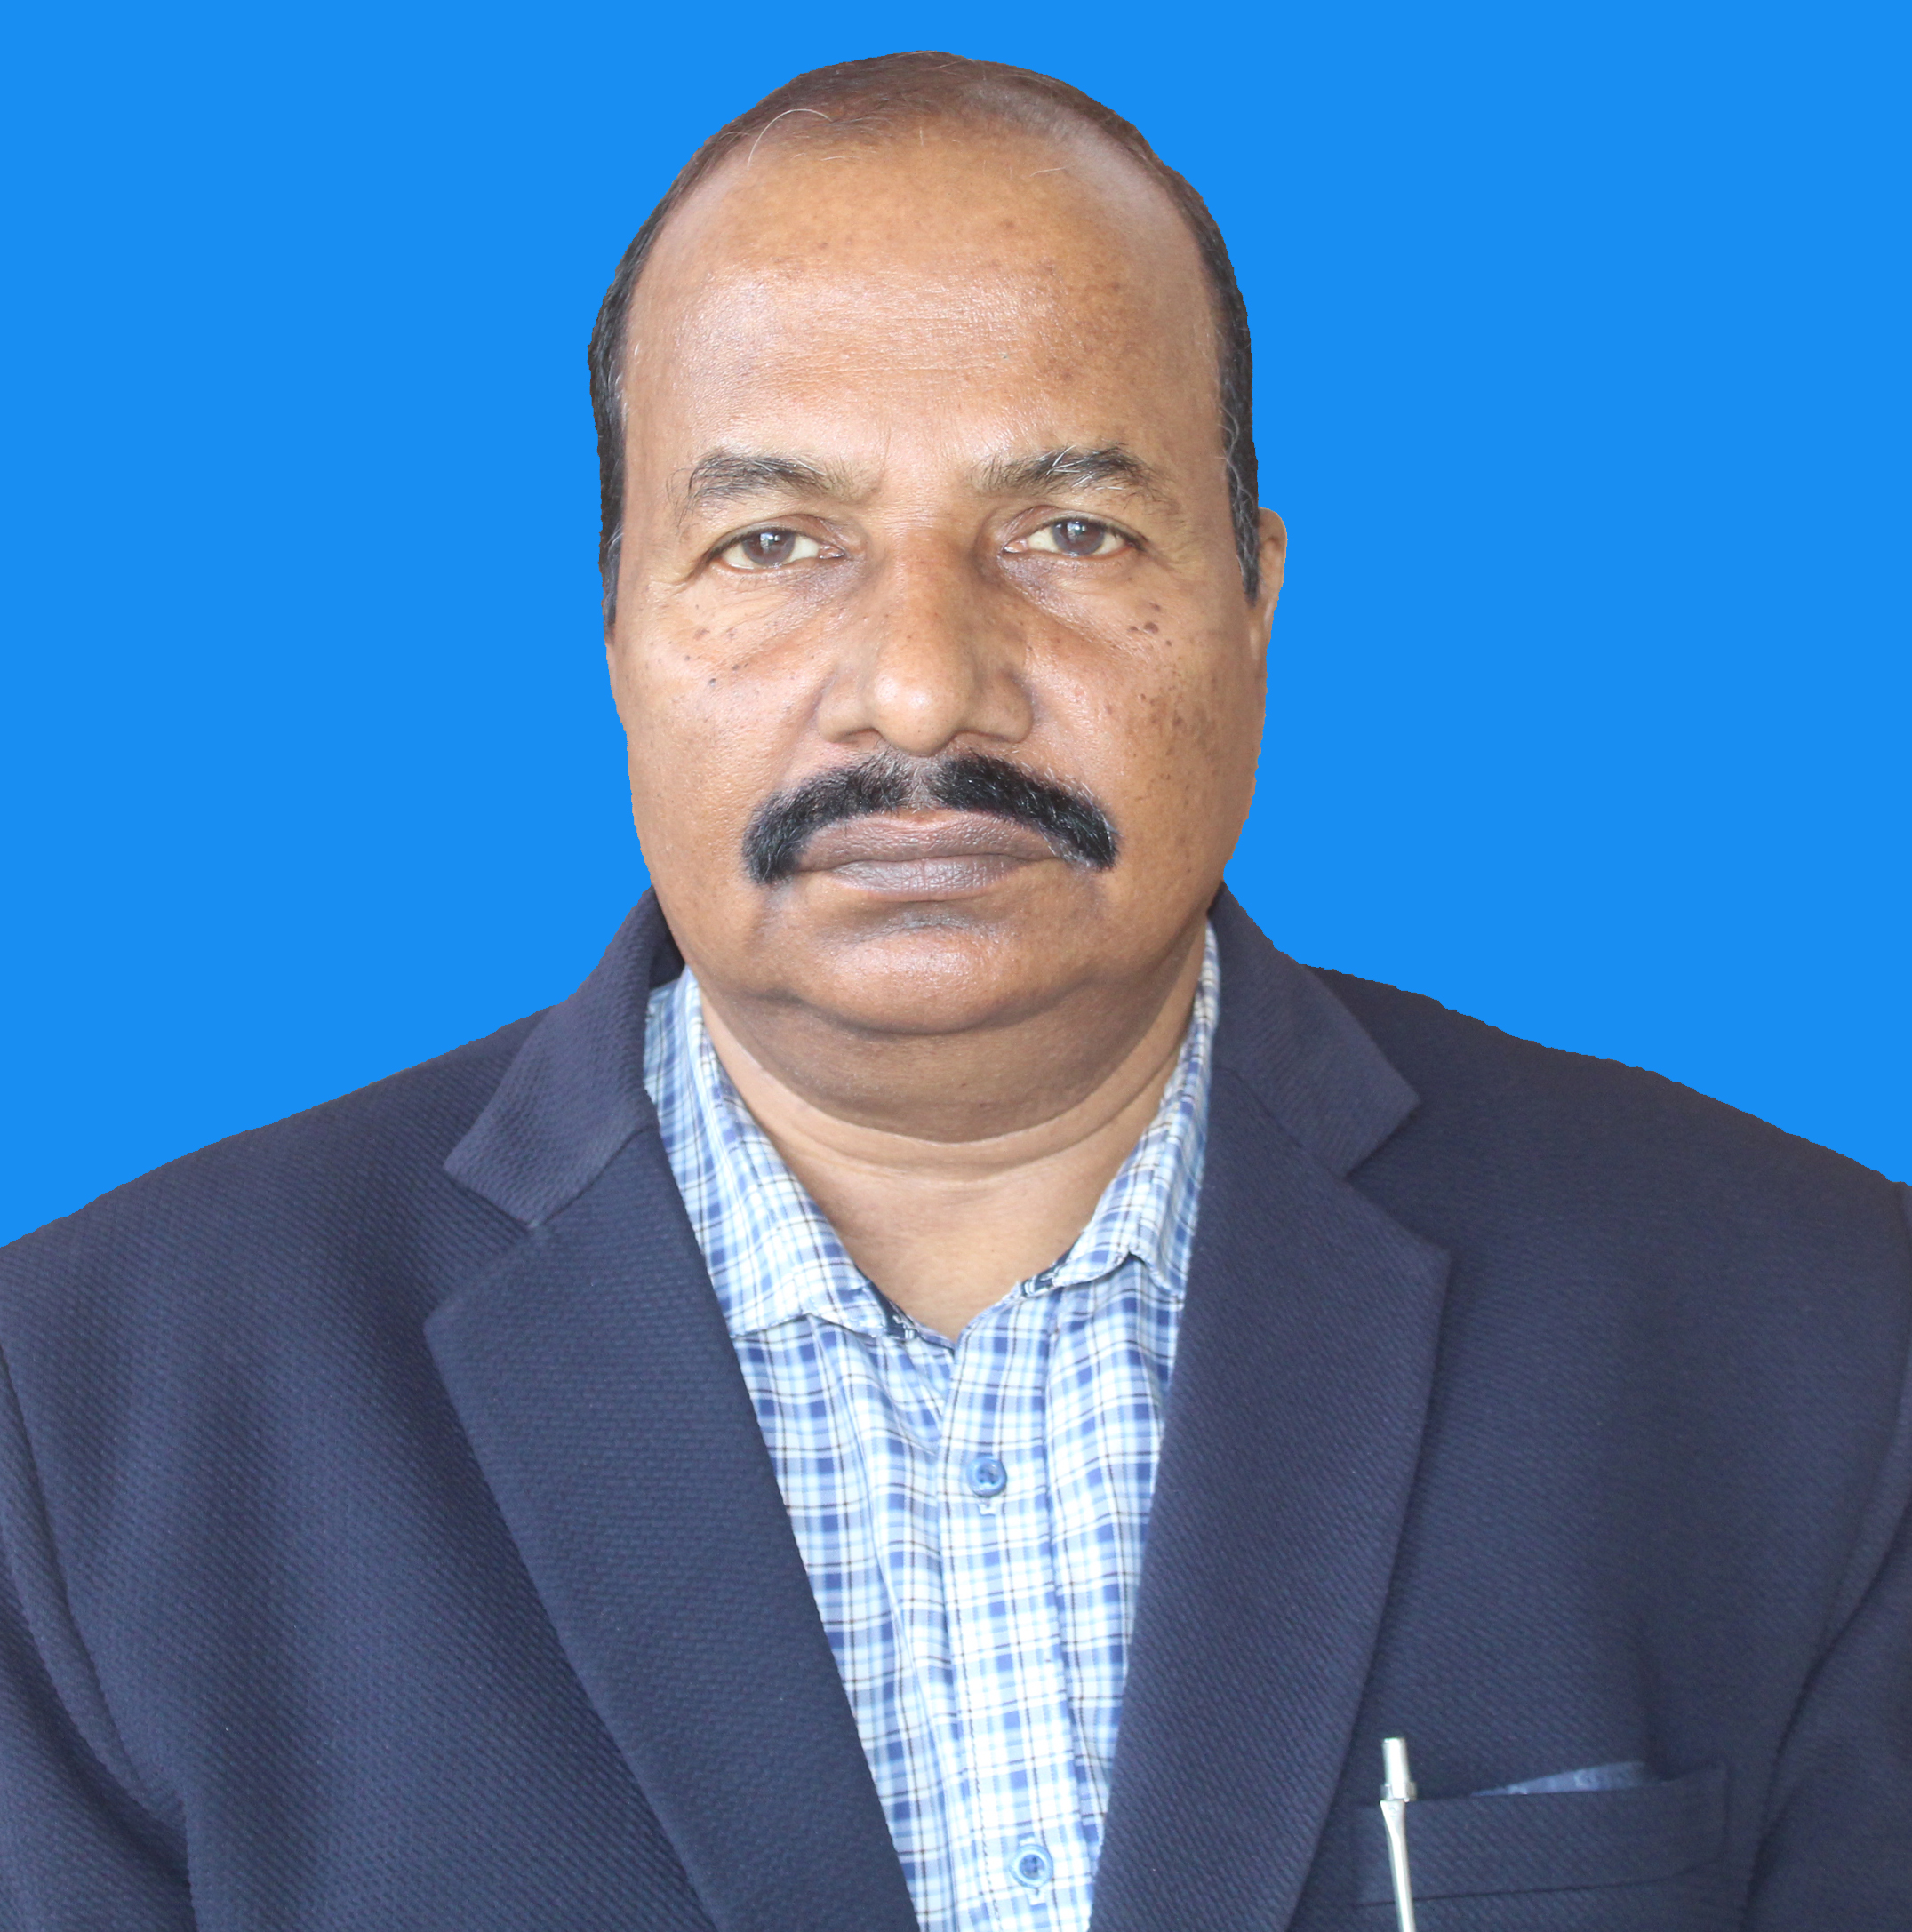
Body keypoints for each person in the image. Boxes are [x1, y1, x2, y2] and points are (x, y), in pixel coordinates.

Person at [0, 50, 1906, 1932]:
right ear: (617, 619)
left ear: (1254, 598)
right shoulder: (87, 1417)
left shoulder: (1819, 1338)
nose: (920, 688)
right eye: (774, 542)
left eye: (1070, 532)